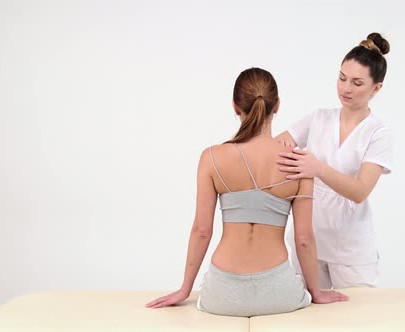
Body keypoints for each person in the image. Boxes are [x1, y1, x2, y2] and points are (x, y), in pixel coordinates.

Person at [146, 67, 348, 317]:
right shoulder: (298, 163)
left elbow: (201, 231)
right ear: (277, 106)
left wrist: (184, 289)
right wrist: (315, 292)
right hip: (279, 291)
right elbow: (304, 237)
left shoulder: (212, 158)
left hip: (222, 293)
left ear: (235, 106)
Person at [275, 33, 393, 289]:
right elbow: (276, 146)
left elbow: (360, 191)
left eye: (357, 83)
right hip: (307, 242)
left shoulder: (378, 133)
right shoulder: (318, 118)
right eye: (342, 78)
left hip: (351, 250)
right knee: (309, 322)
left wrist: (317, 168)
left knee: (355, 322)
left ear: (376, 88)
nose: (345, 88)